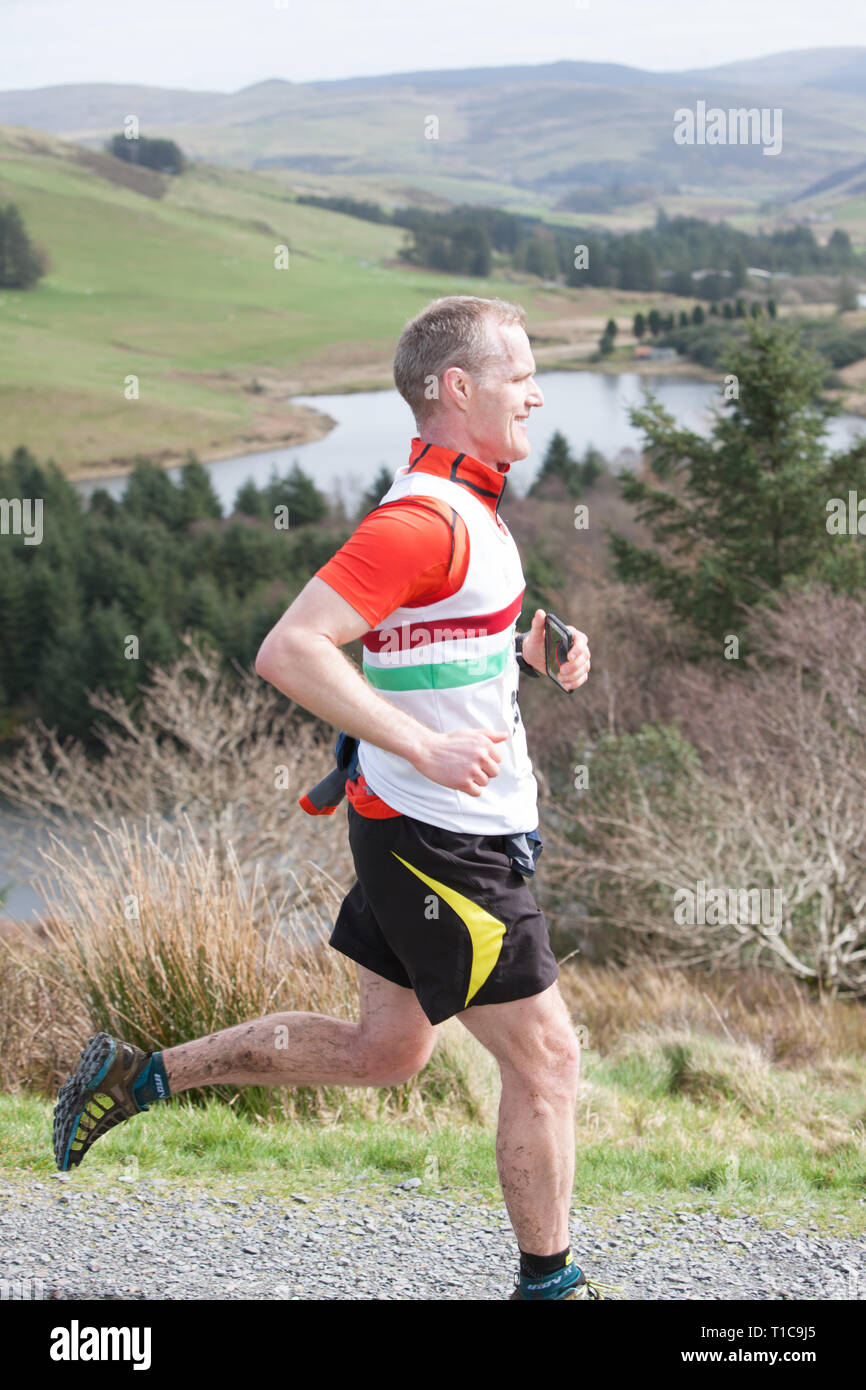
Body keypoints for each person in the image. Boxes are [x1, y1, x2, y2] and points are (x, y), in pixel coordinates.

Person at [53, 294, 599, 1302]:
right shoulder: (420, 519)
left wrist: (530, 643)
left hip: (417, 828)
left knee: (385, 1051)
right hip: (443, 844)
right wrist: (425, 748)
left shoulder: (466, 510)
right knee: (547, 1061)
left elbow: (431, 630)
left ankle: (135, 1074)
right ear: (455, 389)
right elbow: (290, 648)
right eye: (516, 370)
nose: (533, 389)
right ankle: (549, 1286)